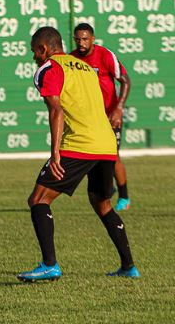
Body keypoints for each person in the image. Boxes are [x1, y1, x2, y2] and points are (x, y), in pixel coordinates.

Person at [17, 26, 140, 282]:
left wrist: (55, 153)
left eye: (34, 52)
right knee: (102, 203)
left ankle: (50, 265)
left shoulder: (49, 68)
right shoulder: (83, 66)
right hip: (106, 144)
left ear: (44, 49)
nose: (34, 58)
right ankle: (129, 266)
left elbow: (56, 111)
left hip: (80, 144)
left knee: (38, 199)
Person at [71, 23, 132, 211]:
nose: (81, 43)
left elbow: (125, 81)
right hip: (88, 120)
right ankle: (107, 188)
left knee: (113, 157)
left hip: (109, 117)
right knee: (90, 158)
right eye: (78, 39)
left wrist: (118, 108)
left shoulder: (105, 56)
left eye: (85, 39)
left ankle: (124, 197)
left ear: (93, 39)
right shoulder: (72, 59)